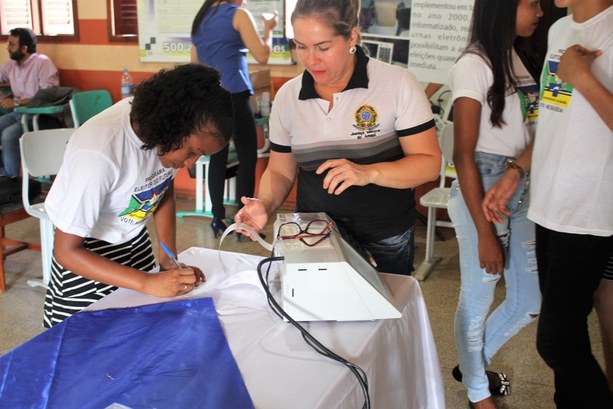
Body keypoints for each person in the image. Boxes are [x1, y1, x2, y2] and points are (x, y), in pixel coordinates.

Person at [235, 0, 441, 276]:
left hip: (383, 237)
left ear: (352, 36)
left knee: (383, 313)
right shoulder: (288, 96)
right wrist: (265, 204)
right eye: (301, 46)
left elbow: (428, 164)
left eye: (323, 47)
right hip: (313, 234)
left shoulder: (396, 84)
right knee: (313, 314)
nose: (311, 60)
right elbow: (280, 171)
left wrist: (368, 172)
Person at [482, 1, 613, 407]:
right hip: (549, 205)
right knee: (567, 336)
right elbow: (558, 119)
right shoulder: (560, 31)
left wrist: (584, 79)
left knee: (555, 339)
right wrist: (517, 170)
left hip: (590, 212)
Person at [43, 64, 234, 328]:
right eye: (192, 152)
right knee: (89, 343)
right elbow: (66, 251)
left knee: (138, 331)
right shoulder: (98, 152)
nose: (191, 164)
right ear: (172, 124)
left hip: (134, 239)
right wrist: (146, 282)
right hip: (87, 256)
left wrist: (168, 260)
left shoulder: (162, 132)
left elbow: (160, 187)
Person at [447, 1, 544, 408]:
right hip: (482, 186)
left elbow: (542, 131)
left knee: (530, 301)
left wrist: (519, 170)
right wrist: (485, 233)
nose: (539, 11)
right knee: (479, 296)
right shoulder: (474, 64)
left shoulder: (518, 59)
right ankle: (477, 392)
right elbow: (463, 155)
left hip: (519, 182)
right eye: (531, 2)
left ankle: (473, 367)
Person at [191, 0, 277, 238]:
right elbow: (262, 55)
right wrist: (269, 29)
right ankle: (244, 221)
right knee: (247, 157)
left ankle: (217, 218)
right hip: (236, 95)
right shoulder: (239, 15)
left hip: (210, 98)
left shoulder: (201, 18)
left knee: (217, 157)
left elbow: (194, 64)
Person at [0, 27, 59, 178]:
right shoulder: (11, 64)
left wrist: (17, 102)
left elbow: (47, 95)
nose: (8, 48)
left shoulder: (42, 63)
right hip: (18, 114)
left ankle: (12, 180)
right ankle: (4, 172)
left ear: (24, 48)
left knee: (8, 135)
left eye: (12, 45)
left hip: (41, 117)